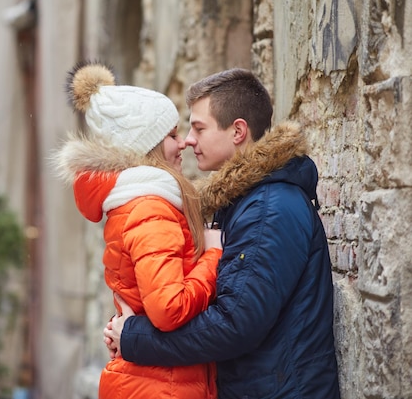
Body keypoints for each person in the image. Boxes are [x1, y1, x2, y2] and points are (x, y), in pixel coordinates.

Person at [104, 68, 341, 399]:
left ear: (238, 131)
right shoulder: (245, 202)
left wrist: (135, 337)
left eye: (199, 128)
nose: (188, 139)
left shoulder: (269, 209)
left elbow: (235, 325)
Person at [54, 61, 223, 399]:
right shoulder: (149, 206)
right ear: (149, 146)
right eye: (172, 135)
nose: (183, 144)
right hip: (160, 386)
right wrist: (214, 254)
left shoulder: (140, 202)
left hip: (155, 379)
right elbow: (168, 307)